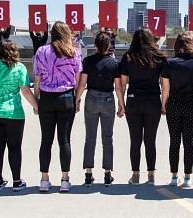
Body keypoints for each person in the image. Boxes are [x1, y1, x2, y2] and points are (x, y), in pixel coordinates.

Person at [0, 39, 39, 191]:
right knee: (15, 147)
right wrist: (36, 106)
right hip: (13, 113)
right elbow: (25, 90)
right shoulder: (19, 68)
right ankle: (17, 181)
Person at [34, 21, 82, 193]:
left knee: (46, 140)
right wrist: (76, 100)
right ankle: (64, 179)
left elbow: (37, 78)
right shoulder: (73, 52)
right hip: (66, 97)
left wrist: (36, 100)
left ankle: (44, 180)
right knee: (64, 140)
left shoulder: (42, 51)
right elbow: (77, 80)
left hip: (46, 97)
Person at [118, 27, 166, 185]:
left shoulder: (128, 57)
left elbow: (122, 85)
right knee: (151, 140)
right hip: (153, 100)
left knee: (135, 141)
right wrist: (164, 104)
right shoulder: (159, 57)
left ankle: (136, 175)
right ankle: (151, 175)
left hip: (133, 100)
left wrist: (122, 104)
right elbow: (165, 85)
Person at [75, 31, 123, 187]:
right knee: (107, 139)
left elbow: (82, 84)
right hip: (108, 99)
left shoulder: (87, 61)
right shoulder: (115, 63)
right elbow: (118, 87)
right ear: (109, 46)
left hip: (91, 98)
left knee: (90, 138)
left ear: (94, 45)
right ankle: (108, 174)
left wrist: (77, 99)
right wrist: (122, 104)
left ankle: (88, 174)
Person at [161, 33, 193, 187]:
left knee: (174, 141)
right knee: (189, 142)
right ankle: (187, 177)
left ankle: (174, 176)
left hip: (174, 102)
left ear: (176, 46)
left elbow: (165, 87)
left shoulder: (169, 63)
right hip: (190, 102)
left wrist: (163, 104)